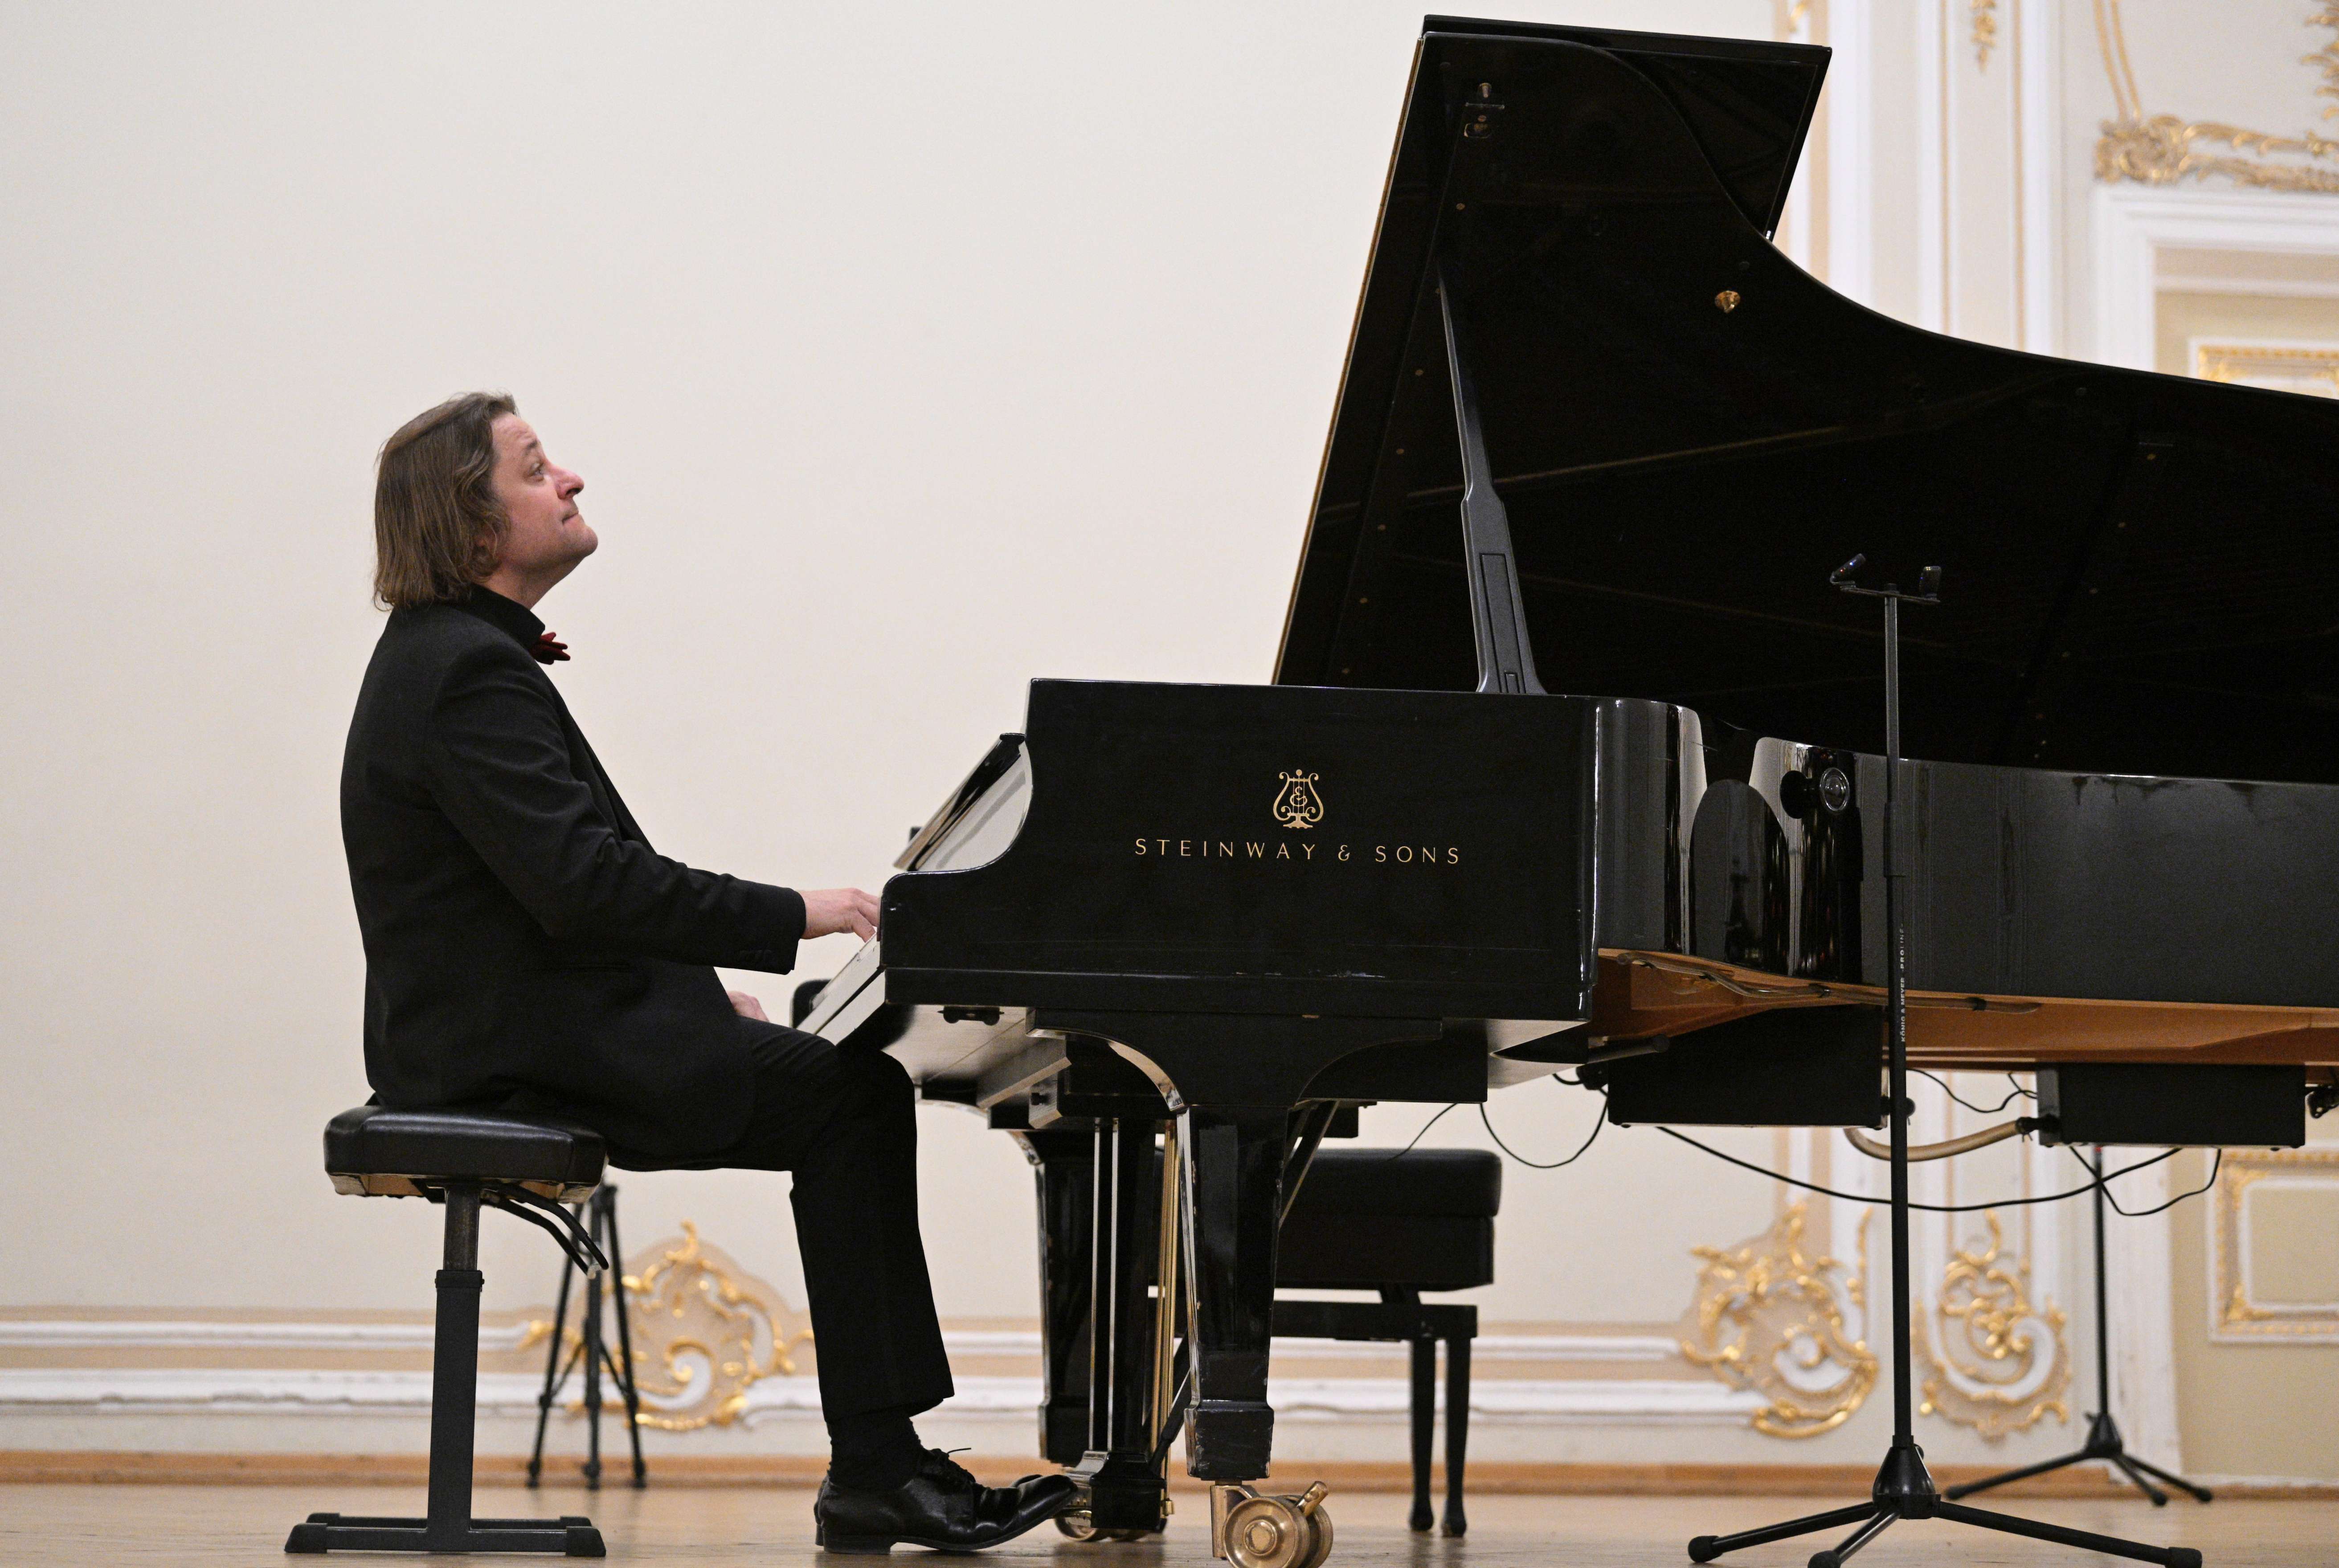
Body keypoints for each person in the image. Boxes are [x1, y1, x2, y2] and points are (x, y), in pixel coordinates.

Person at [341, 392, 1073, 1552]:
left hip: (510, 1034)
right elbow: (588, 888)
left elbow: (550, 894)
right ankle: (878, 1469)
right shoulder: (467, 673)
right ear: (474, 527)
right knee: (848, 1098)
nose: (571, 480)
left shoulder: (448, 659)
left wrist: (686, 998)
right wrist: (801, 914)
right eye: (535, 468)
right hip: (512, 1056)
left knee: (843, 1093)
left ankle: (878, 1467)